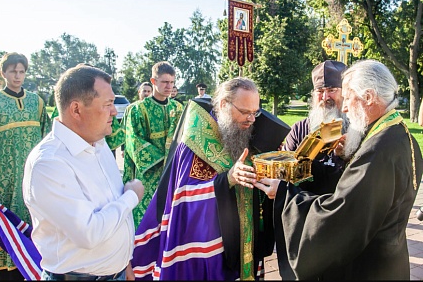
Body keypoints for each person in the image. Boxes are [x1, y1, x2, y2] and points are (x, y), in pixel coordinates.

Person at [255, 59, 423, 280]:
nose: (343, 107)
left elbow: (339, 217)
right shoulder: (399, 134)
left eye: (348, 96)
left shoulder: (378, 150)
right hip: (388, 257)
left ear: (369, 97)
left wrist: (284, 195)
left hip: (369, 267)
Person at [130, 77, 276, 280]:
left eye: (255, 112)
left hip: (242, 238)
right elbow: (185, 198)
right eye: (245, 112)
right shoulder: (196, 140)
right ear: (224, 104)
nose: (251, 119)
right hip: (209, 244)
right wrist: (228, 180)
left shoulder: (244, 131)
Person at [22, 64, 145, 281]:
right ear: (76, 109)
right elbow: (89, 233)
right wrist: (132, 196)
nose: (115, 111)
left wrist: (123, 262)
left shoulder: (98, 143)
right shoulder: (50, 163)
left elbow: (110, 204)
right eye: (108, 104)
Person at [0, 52, 51, 280]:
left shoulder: (36, 102)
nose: (18, 76)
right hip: (2, 178)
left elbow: (47, 137)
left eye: (21, 71)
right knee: (5, 223)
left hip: (32, 175)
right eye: (13, 71)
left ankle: (32, 265)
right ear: (3, 73)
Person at [123, 61, 183, 229]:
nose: (169, 86)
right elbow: (133, 140)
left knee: (170, 219)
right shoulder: (138, 109)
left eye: (172, 82)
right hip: (149, 174)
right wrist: (163, 159)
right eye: (165, 82)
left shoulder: (178, 108)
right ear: (153, 81)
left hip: (172, 172)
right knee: (146, 220)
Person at [281, 60, 348, 194]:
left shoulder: (356, 129)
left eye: (331, 90)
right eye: (320, 91)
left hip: (341, 208)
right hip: (303, 206)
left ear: (344, 93)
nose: (325, 97)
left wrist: (345, 156)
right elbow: (285, 174)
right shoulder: (298, 129)